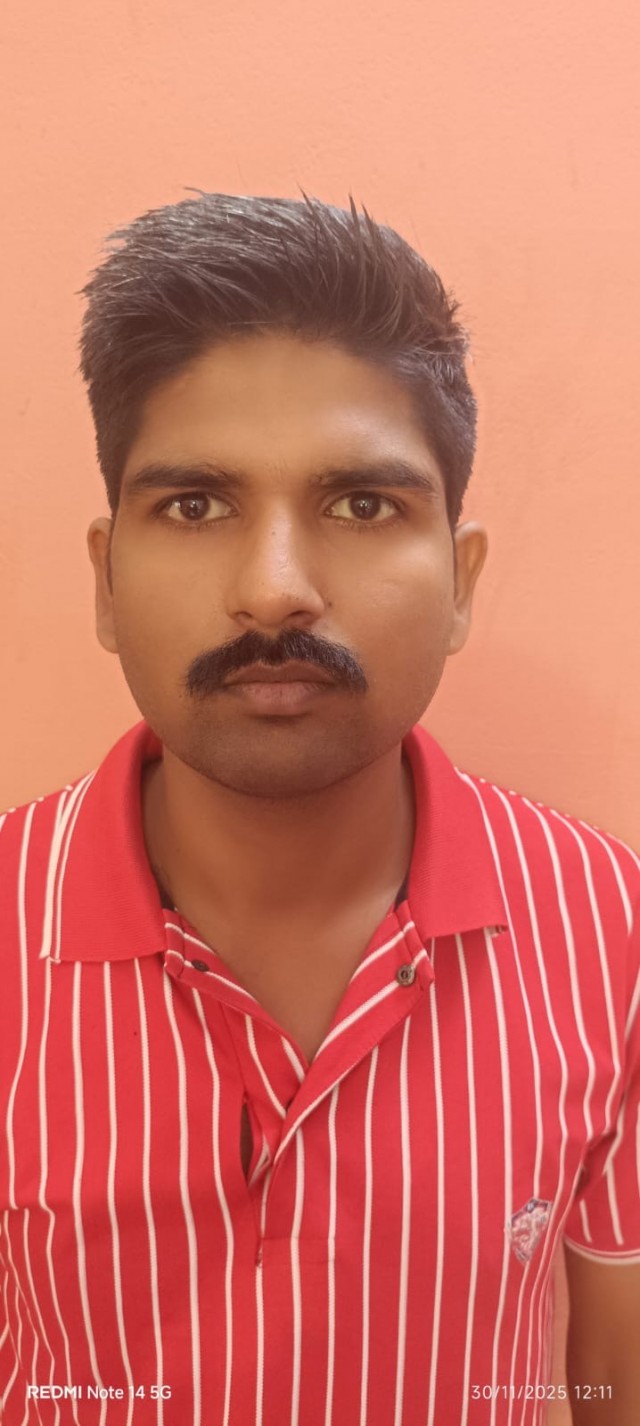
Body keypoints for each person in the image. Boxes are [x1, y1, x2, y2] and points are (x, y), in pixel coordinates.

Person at [1, 190, 638, 1426]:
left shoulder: (611, 927)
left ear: (460, 582)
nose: (274, 588)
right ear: (106, 581)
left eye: (359, 504)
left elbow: (614, 1375)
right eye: (195, 505)